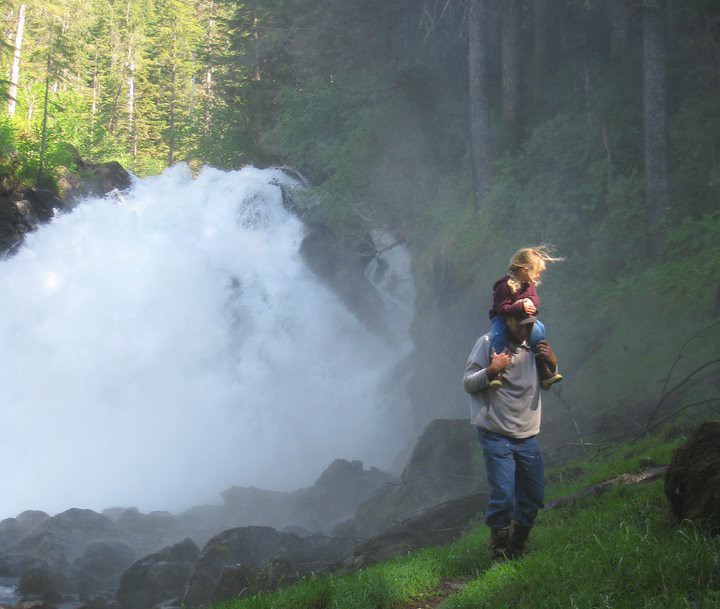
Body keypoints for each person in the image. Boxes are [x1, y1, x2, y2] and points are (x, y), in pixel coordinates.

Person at [462, 312, 559, 561]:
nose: (526, 331)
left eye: (531, 326)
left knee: (533, 497)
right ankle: (500, 554)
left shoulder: (535, 348)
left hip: (528, 436)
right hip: (496, 434)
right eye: (521, 325)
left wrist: (552, 362)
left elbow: (547, 383)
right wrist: (491, 370)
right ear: (508, 321)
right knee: (503, 497)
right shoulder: (487, 344)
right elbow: (467, 383)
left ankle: (516, 548)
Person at [488, 245, 563, 389]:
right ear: (526, 270)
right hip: (502, 316)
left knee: (539, 329)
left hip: (523, 315)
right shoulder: (503, 286)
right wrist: (520, 306)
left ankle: (544, 367)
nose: (538, 275)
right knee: (499, 335)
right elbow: (502, 308)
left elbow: (535, 300)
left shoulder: (529, 285)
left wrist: (529, 303)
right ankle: (495, 369)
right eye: (537, 272)